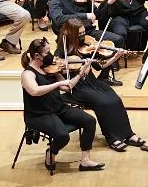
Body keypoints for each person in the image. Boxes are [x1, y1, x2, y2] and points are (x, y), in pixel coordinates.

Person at [55, 19, 144, 152]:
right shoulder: (61, 52)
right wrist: (80, 69)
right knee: (103, 103)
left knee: (115, 99)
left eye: (84, 33)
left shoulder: (86, 46)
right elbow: (59, 71)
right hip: (78, 87)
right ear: (71, 34)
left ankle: (128, 134)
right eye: (80, 34)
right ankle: (112, 137)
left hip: (92, 82)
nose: (83, 36)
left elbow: (100, 66)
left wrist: (116, 56)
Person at [20, 37, 103, 173]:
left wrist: (80, 73)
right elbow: (35, 91)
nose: (51, 55)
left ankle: (86, 160)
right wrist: (57, 83)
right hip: (38, 114)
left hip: (58, 108)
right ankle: (51, 153)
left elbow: (67, 87)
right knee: (62, 136)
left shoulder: (51, 69)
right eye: (47, 52)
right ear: (37, 56)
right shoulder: (28, 74)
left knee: (90, 121)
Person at [47, 0, 124, 46]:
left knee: (118, 40)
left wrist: (107, 3)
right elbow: (59, 19)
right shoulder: (54, 0)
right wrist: (85, 16)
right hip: (70, 36)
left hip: (88, 31)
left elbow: (97, 14)